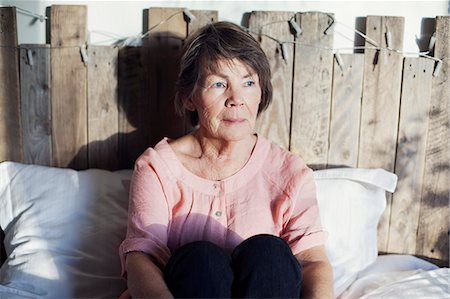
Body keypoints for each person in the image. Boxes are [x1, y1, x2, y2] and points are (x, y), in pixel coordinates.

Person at [119, 21, 333, 299]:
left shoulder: (289, 173)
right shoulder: (157, 168)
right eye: (219, 84)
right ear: (189, 97)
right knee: (201, 259)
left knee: (269, 253)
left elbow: (312, 261)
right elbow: (141, 258)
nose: (236, 99)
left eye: (248, 82)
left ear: (261, 92)